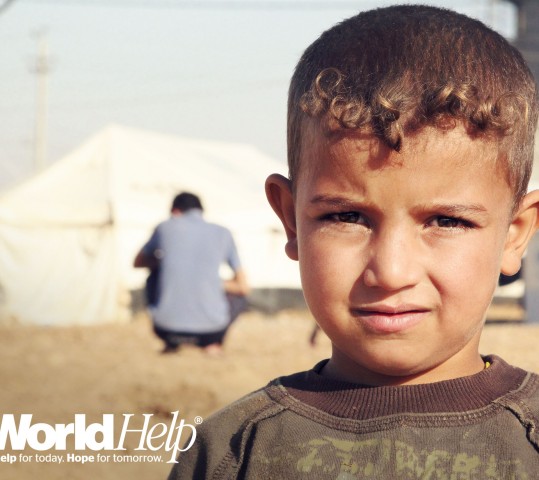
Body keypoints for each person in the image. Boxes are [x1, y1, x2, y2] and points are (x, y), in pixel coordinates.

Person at [168, 5, 539, 478]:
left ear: (514, 235)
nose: (392, 272)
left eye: (446, 221)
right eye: (347, 217)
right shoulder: (230, 451)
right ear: (291, 220)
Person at [134, 192, 249, 354]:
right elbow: (243, 287)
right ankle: (214, 345)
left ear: (175, 211)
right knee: (239, 298)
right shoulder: (223, 232)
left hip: (166, 330)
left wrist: (166, 263)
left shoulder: (164, 227)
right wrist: (212, 283)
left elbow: (137, 262)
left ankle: (171, 344)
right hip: (211, 332)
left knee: (154, 276)